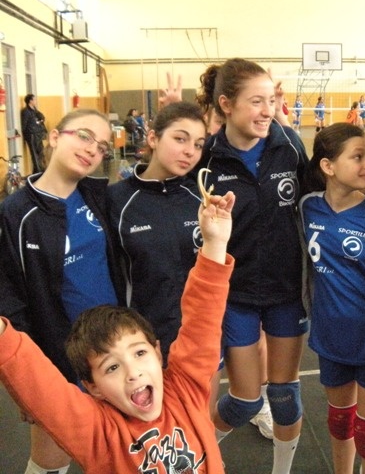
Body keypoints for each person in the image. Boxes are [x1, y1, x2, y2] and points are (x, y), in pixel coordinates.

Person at [0, 188, 235, 474]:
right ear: (93, 388)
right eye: (112, 367)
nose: (132, 372)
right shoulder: (98, 435)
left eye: (139, 353)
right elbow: (39, 384)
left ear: (157, 352)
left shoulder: (187, 389)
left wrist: (215, 243)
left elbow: (203, 320)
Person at [194, 57, 309, 474]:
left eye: (271, 100)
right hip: (236, 296)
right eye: (256, 101)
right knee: (244, 401)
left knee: (285, 397)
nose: (267, 111)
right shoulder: (206, 158)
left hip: (286, 293)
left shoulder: (289, 144)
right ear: (226, 104)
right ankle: (196, 457)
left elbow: (317, 198)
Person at [0, 109, 125, 474]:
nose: (92, 149)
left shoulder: (98, 197)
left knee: (119, 449)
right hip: (58, 357)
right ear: (54, 137)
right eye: (84, 136)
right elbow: (10, 303)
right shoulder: (15, 214)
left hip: (113, 348)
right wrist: (23, 379)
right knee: (52, 458)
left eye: (101, 146)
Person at [300, 123, 365, 474]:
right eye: (358, 157)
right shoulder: (307, 207)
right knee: (341, 422)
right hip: (330, 338)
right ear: (328, 166)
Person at [106, 101, 207, 363]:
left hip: (202, 334)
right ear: (153, 138)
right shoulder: (116, 201)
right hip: (144, 340)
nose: (190, 151)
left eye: (198, 144)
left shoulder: (201, 196)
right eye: (180, 139)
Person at [20, 94, 47, 173]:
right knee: (34, 154)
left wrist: (40, 120)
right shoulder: (25, 111)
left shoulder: (35, 110)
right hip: (31, 135)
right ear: (30, 101)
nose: (36, 101)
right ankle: (38, 171)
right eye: (34, 99)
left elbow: (42, 117)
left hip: (38, 134)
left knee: (41, 153)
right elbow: (24, 125)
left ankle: (40, 170)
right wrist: (26, 135)